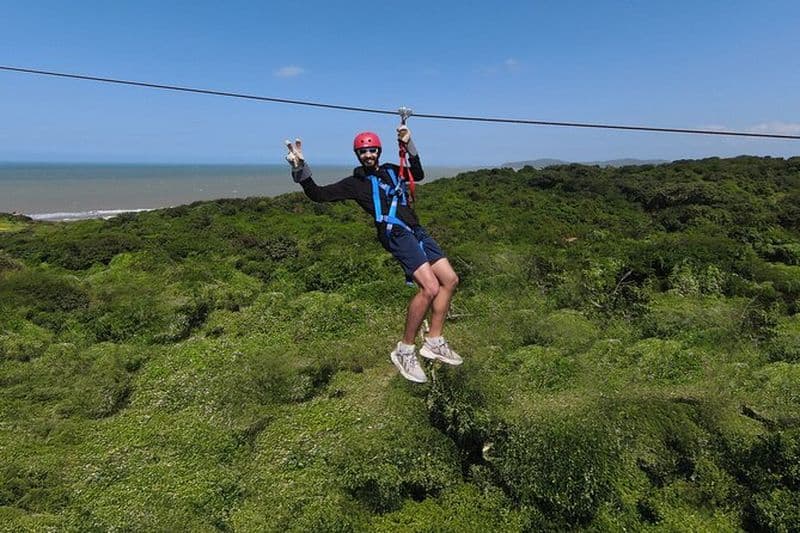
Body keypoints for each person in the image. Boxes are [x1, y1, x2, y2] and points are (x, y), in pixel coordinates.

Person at [285, 125, 461, 383]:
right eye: (363, 152)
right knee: (430, 288)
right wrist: (300, 167)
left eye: (371, 150)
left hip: (416, 230)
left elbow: (419, 174)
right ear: (358, 155)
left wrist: (409, 144)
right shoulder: (355, 184)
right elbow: (318, 194)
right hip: (396, 233)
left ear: (378, 151)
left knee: (450, 280)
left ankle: (434, 340)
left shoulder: (392, 169)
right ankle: (405, 350)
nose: (368, 155)